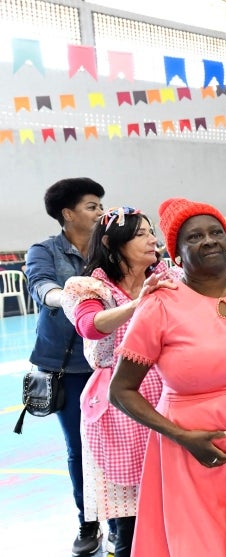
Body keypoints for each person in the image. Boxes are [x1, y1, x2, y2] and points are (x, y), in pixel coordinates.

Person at [109, 198, 226, 557]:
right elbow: (120, 391)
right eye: (194, 236)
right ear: (177, 253)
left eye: (216, 232)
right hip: (196, 449)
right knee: (200, 545)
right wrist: (182, 436)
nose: (209, 240)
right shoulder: (160, 305)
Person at [61, 207, 180, 557]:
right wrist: (138, 303)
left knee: (174, 505)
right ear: (115, 244)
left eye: (151, 232)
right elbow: (90, 324)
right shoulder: (89, 286)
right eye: (142, 233)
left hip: (169, 396)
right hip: (121, 407)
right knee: (131, 522)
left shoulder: (167, 275)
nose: (152, 239)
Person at [25, 177, 106, 556]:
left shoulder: (108, 248)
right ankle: (88, 522)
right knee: (78, 447)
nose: (100, 212)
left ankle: (127, 520)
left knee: (127, 442)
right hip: (68, 367)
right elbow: (41, 285)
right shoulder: (43, 251)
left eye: (100, 205)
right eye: (92, 206)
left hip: (109, 362)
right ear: (68, 214)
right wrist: (68, 297)